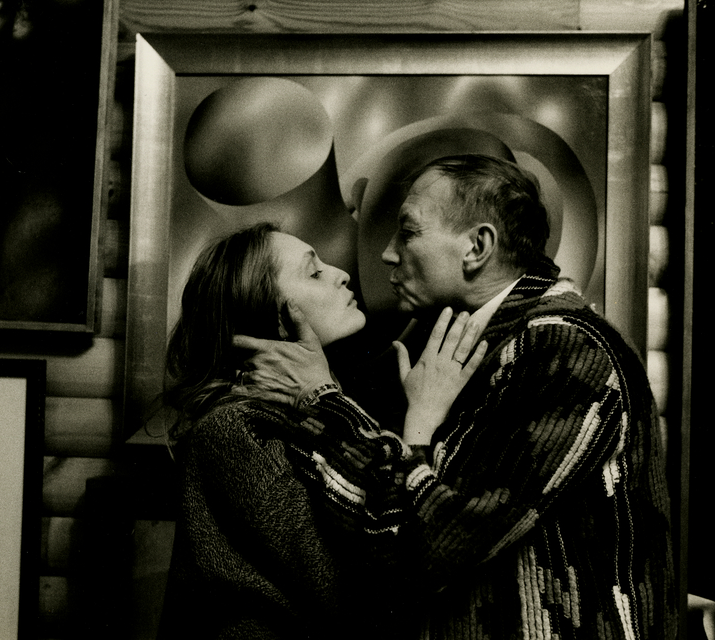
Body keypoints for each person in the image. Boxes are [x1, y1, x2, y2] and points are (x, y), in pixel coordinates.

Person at [235, 154, 678, 639]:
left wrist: (323, 400)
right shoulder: (480, 347)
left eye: (408, 232)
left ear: (477, 247)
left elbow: (424, 550)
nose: (386, 254)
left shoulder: (564, 348)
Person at [156, 222, 487, 640]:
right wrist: (419, 421)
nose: (340, 273)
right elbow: (365, 595)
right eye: (313, 272)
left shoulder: (300, 416)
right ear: (276, 320)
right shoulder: (235, 429)